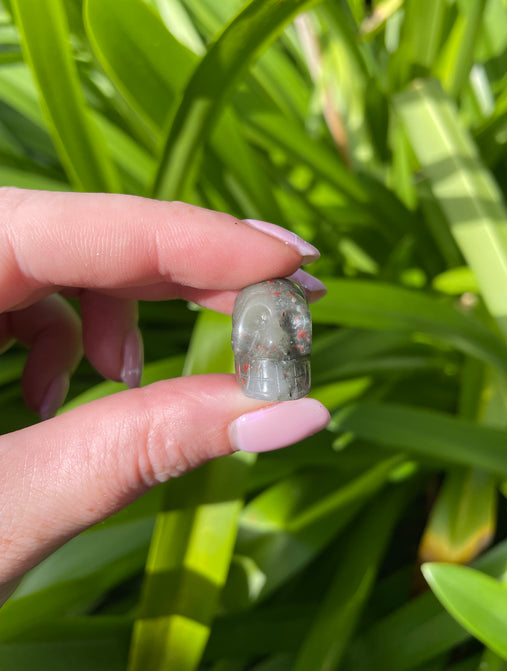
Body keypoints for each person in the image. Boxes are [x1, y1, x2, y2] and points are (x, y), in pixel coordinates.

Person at [0, 187, 330, 606]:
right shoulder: (261, 317)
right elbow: (254, 333)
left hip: (276, 363)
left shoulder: (285, 314)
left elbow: (294, 334)